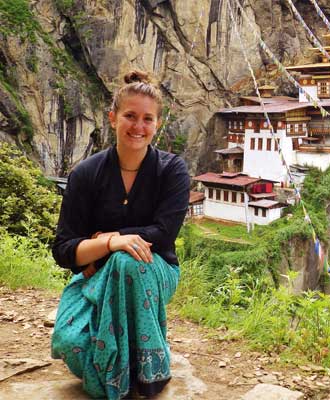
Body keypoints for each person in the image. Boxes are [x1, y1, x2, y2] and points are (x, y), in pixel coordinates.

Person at [51, 70, 190, 399]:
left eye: (147, 119)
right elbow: (63, 249)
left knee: (128, 265)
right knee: (68, 343)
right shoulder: (86, 174)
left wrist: (104, 241)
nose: (138, 127)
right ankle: (118, 364)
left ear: (158, 123)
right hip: (94, 275)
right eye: (130, 116)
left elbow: (163, 234)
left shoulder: (171, 171)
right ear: (113, 118)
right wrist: (113, 243)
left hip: (155, 271)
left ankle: (147, 373)